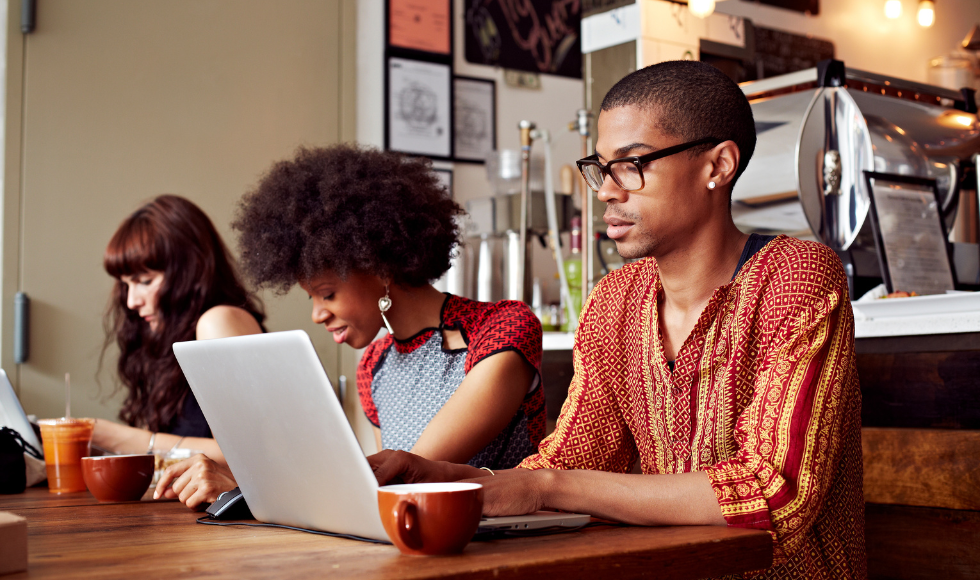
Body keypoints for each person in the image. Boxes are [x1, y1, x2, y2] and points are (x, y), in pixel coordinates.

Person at [369, 61, 865, 579]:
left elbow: (772, 493)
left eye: (632, 164)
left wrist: (545, 487)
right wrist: (450, 477)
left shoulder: (797, 277)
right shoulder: (615, 300)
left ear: (717, 166)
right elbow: (576, 456)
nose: (605, 190)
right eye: (600, 168)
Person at [156, 145, 545, 507]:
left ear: (378, 266)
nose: (317, 314)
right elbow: (382, 495)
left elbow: (406, 474)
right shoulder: (374, 365)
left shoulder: (501, 329)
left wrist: (242, 488)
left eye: (326, 294)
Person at [94, 195, 265, 464]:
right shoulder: (171, 340)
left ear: (190, 270)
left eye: (145, 281)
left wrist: (111, 437)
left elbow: (254, 456)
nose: (131, 301)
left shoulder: (217, 322)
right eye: (127, 284)